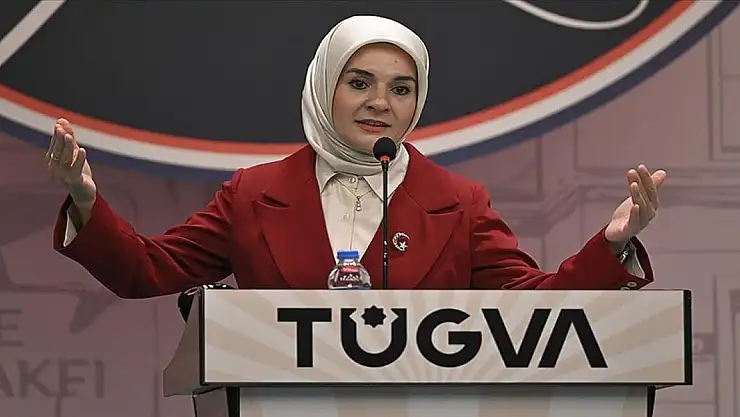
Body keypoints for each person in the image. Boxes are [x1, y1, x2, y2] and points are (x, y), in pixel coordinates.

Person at [45, 15, 665, 298]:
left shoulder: (458, 202)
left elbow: (536, 303)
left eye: (401, 89)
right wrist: (85, 200)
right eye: (359, 82)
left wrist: (611, 245)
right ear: (324, 88)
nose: (380, 104)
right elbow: (147, 271)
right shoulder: (252, 194)